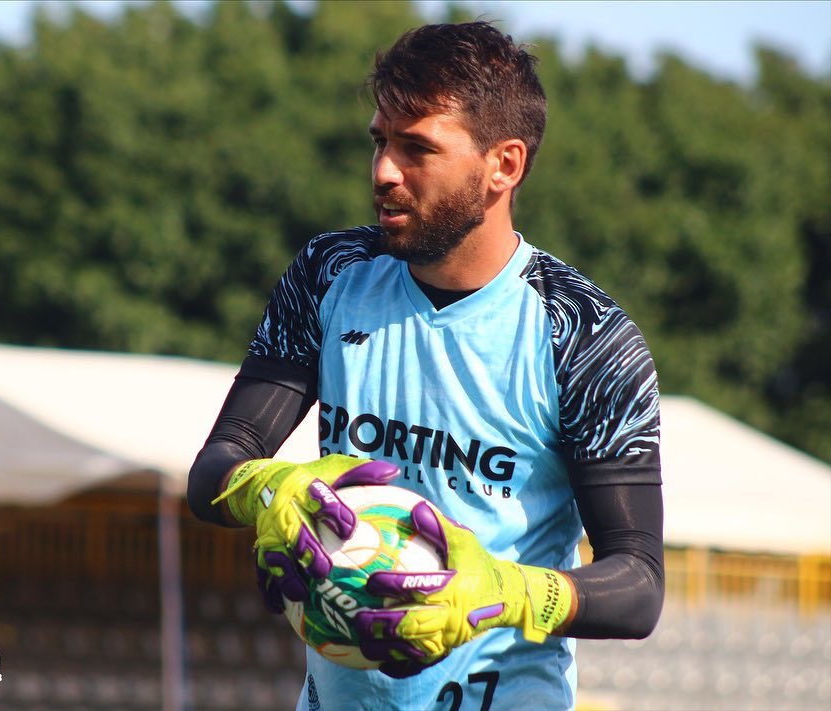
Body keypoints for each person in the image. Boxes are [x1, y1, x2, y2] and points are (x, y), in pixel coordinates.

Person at [188, 20, 664, 711]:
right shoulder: (330, 275)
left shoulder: (583, 336)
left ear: (504, 164)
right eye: (380, 141)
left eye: (417, 149)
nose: (384, 170)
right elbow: (215, 467)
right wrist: (268, 488)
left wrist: (501, 590)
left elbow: (640, 584)